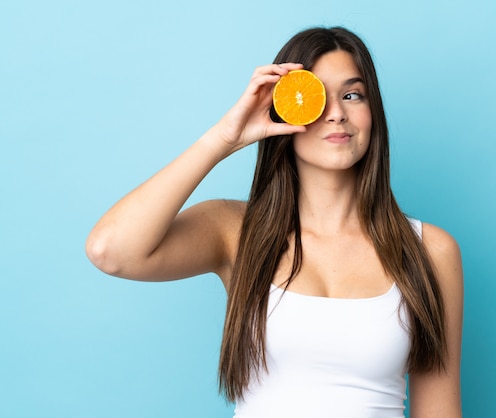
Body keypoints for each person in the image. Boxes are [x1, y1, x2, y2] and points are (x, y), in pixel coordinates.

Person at [86, 26, 463, 418]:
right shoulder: (234, 231)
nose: (336, 113)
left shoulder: (430, 251)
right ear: (286, 109)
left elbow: (439, 410)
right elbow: (110, 250)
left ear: (374, 113)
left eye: (353, 95)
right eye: (316, 97)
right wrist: (223, 139)